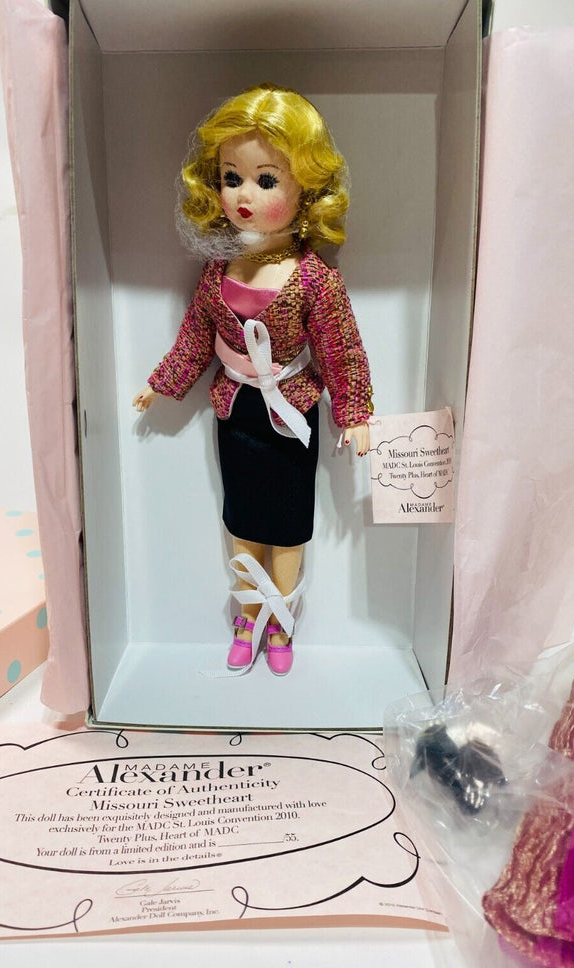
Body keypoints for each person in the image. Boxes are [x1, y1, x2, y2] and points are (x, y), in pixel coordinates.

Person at [133, 83, 373, 676]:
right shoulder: (218, 269)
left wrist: (355, 413)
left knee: (288, 525)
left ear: (306, 189)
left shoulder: (314, 280)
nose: (244, 194)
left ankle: (281, 618)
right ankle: (247, 614)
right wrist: (164, 382)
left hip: (291, 416)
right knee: (241, 518)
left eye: (266, 180)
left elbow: (341, 349)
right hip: (235, 411)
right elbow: (197, 333)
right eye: (231, 177)